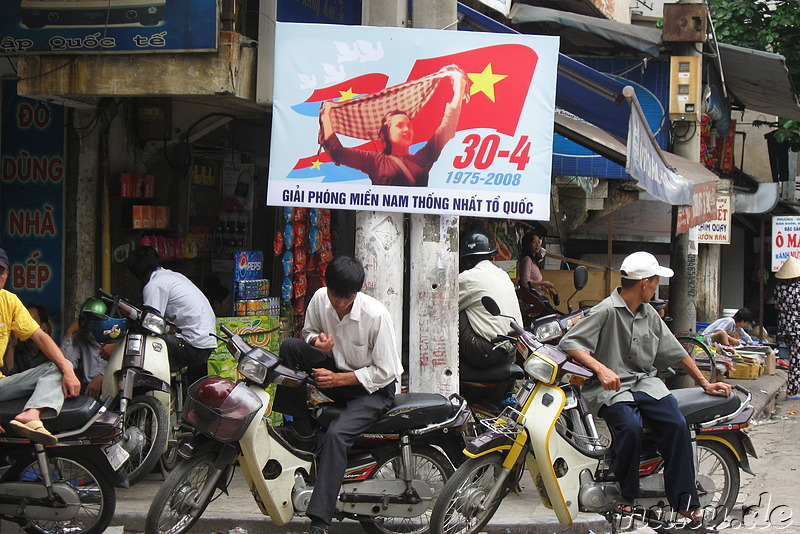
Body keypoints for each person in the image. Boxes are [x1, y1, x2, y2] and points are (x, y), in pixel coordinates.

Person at [558, 251, 731, 530]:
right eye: (655, 282)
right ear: (644, 283)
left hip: (645, 383)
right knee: (630, 427)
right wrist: (601, 369)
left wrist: (704, 382)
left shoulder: (649, 313)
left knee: (676, 424)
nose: (656, 287)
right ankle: (625, 494)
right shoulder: (605, 310)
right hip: (613, 389)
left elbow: (675, 350)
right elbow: (571, 343)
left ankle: (686, 502)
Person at [272, 256, 402, 534]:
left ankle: (319, 519)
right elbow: (307, 333)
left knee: (337, 434)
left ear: (357, 292)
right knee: (291, 347)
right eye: (335, 295)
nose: (340, 303)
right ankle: (300, 429)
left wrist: (338, 379)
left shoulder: (376, 315)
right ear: (327, 287)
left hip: (373, 390)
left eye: (347, 297)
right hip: (335, 374)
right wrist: (316, 343)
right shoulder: (320, 299)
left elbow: (387, 371)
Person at [319, 69, 466, 187]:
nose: (406, 130)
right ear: (386, 133)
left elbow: (446, 129)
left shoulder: (422, 158)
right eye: (399, 126)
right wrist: (327, 113)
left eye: (409, 126)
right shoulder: (374, 161)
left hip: (416, 217)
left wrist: (459, 90)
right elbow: (337, 152)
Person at [0, 247, 81, 445]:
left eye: (0, 271)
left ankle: (32, 414)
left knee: (61, 365)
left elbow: (40, 336)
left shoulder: (8, 301)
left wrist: (67, 369)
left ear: (7, 274)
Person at [126, 246, 217, 386]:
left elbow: (150, 324)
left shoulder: (154, 285)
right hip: (204, 345)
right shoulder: (172, 276)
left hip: (192, 346)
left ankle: (151, 394)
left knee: (140, 344)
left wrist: (121, 342)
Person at [458, 229, 524, 369]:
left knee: (452, 307)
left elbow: (443, 309)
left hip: (486, 352)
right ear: (492, 257)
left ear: (465, 259)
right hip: (511, 352)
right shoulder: (503, 275)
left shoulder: (467, 277)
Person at [61, 298, 115, 399]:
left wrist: (102, 376)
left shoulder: (116, 337)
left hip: (112, 388)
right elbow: (68, 364)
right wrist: (69, 333)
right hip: (88, 392)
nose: (90, 327)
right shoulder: (82, 337)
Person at [773, 255, 800, 400]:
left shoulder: (779, 288)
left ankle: (796, 385)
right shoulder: (798, 288)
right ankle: (792, 390)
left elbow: (777, 306)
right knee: (796, 358)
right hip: (797, 326)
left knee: (794, 355)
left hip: (784, 325)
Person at [1, 303, 50, 375]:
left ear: (43, 326)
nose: (27, 324)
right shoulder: (17, 349)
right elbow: (9, 377)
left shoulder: (50, 350)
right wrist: (12, 346)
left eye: (31, 321)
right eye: (24, 321)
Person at [517, 230, 557, 300]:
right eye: (533, 242)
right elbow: (525, 282)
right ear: (527, 244)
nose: (537, 244)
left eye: (538, 242)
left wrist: (543, 288)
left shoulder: (533, 261)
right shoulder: (527, 259)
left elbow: (533, 282)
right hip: (531, 299)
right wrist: (543, 283)